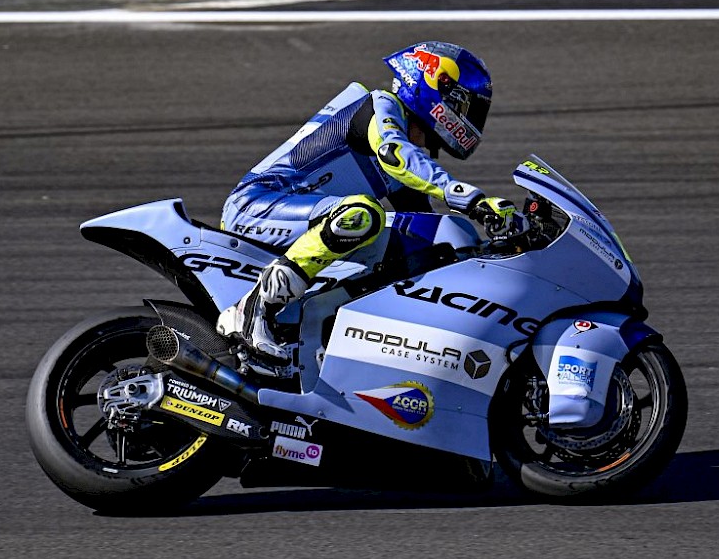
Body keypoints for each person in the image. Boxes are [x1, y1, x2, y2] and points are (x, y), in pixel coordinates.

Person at [217, 41, 523, 363]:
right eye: (465, 106)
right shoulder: (380, 107)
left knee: (416, 247)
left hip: (299, 218)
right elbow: (395, 155)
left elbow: (428, 231)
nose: (469, 118)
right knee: (364, 214)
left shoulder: (406, 161)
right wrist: (471, 200)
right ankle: (253, 309)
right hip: (257, 205)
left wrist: (488, 255)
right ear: (435, 88)